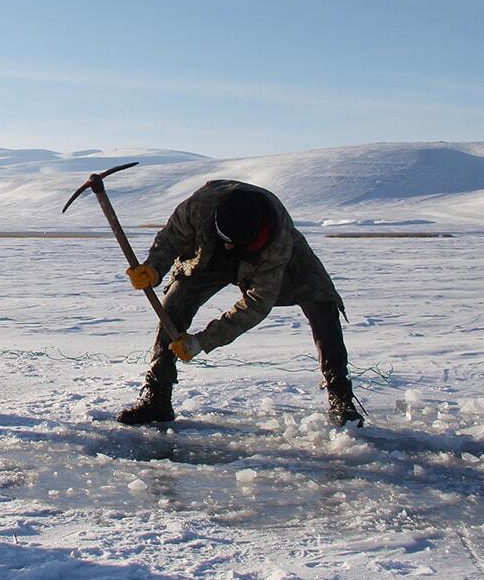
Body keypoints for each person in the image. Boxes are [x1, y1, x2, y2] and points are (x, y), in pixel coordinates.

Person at [120, 180, 364, 428]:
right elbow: (171, 237)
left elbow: (257, 304)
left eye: (234, 243)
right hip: (207, 256)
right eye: (225, 238)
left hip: (270, 260)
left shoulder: (277, 245)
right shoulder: (199, 206)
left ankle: (340, 398)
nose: (229, 245)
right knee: (172, 307)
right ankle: (157, 397)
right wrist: (154, 267)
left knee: (322, 302)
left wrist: (201, 342)